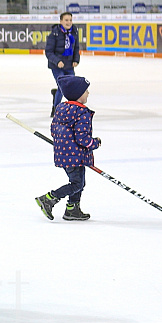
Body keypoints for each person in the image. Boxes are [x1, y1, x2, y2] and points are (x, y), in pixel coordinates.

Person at [35, 75, 100, 222]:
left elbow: (54, 131)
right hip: (76, 155)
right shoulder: (82, 112)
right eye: (86, 91)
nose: (88, 93)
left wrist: (62, 143)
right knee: (77, 183)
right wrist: (94, 143)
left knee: (78, 182)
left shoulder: (61, 108)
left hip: (65, 154)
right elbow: (82, 139)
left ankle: (72, 209)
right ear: (78, 95)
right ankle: (49, 198)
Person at [45, 12, 80, 117]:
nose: (68, 22)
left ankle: (73, 109)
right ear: (61, 22)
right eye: (66, 20)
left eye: (70, 20)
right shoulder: (54, 34)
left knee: (72, 87)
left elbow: (76, 48)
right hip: (56, 66)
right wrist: (57, 61)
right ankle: (56, 108)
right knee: (62, 86)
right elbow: (48, 52)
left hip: (69, 65)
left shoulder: (74, 32)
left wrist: (76, 60)